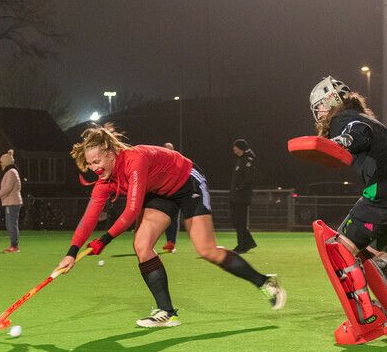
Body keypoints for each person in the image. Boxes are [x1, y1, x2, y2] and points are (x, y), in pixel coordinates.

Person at [55, 124, 286, 328]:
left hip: (187, 182)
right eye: (90, 163)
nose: (94, 168)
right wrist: (71, 253)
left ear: (111, 153)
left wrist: (104, 239)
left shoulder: (135, 160)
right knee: (142, 245)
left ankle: (265, 281)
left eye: (97, 161)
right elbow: (89, 218)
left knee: (206, 250)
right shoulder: (104, 181)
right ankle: (166, 312)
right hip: (161, 193)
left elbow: (132, 210)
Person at [311, 76, 387, 254]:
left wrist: (343, 141)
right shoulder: (363, 117)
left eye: (320, 106)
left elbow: (360, 132)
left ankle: (359, 280)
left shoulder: (341, 119)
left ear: (332, 99)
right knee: (372, 255)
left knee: (340, 251)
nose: (319, 114)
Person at [230, 138, 257, 253]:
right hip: (236, 196)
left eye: (235, 146)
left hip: (242, 197)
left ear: (240, 147)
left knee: (240, 222)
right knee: (237, 221)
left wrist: (239, 188)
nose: (233, 149)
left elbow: (248, 178)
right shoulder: (241, 159)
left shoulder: (247, 160)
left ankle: (242, 245)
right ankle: (249, 242)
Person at [0, 149, 23, 253]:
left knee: (11, 224)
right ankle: (13, 245)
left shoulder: (11, 172)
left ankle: (14, 246)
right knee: (10, 224)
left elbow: (8, 187)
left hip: (12, 202)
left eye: (1, 162)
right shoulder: (11, 172)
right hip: (10, 202)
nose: (0, 164)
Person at [161, 142, 179, 253]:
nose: (168, 151)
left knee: (173, 219)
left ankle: (171, 243)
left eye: (170, 149)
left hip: (176, 194)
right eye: (166, 149)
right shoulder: (160, 162)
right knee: (163, 219)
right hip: (163, 194)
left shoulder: (178, 161)